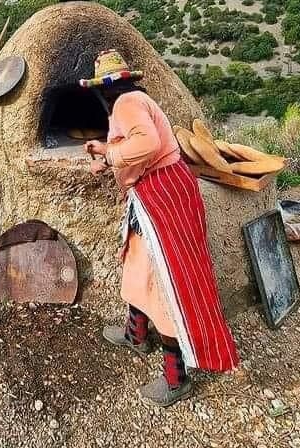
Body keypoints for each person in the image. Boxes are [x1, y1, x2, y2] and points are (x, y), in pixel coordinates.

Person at [80, 49, 239, 407]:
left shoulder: (125, 104)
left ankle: (176, 378)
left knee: (169, 282)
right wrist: (106, 154)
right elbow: (136, 147)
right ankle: (136, 335)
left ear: (105, 90)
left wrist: (110, 155)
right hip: (158, 193)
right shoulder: (135, 100)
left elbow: (148, 144)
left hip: (164, 195)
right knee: (138, 268)